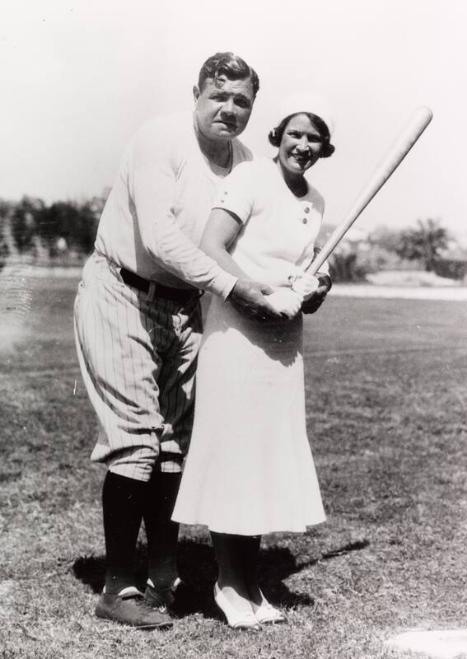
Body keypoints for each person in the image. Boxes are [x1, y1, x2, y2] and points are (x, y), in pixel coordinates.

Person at [74, 52, 281, 630]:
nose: (229, 109)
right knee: (139, 439)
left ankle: (163, 575)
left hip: (186, 307)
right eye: (219, 96)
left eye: (241, 101)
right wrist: (238, 289)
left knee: (172, 444)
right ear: (196, 93)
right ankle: (118, 585)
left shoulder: (247, 163)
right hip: (123, 292)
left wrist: (296, 280)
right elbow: (162, 240)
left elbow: (254, 239)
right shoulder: (159, 140)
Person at [172, 93, 335, 630]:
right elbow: (210, 245)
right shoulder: (248, 180)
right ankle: (227, 582)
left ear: (323, 148)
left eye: (314, 139)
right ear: (278, 137)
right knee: (235, 456)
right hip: (238, 330)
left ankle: (249, 582)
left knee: (263, 457)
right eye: (295, 134)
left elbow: (311, 275)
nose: (303, 145)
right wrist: (253, 292)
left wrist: (315, 289)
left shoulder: (318, 202)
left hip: (283, 343)